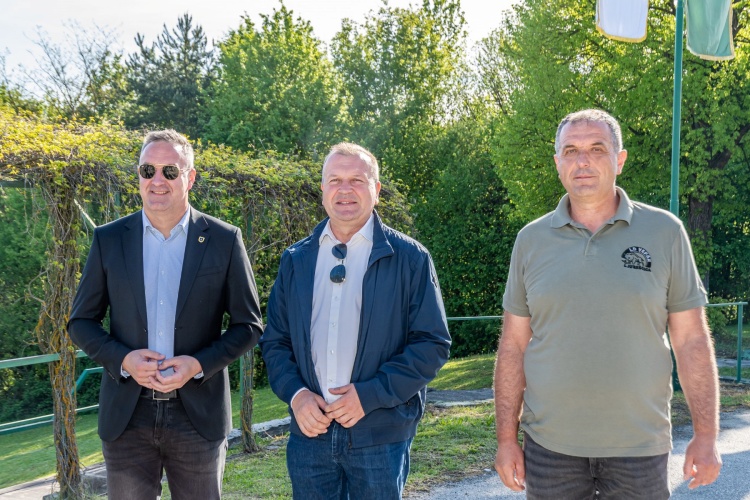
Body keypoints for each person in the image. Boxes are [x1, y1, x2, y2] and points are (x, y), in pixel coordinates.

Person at [494, 109, 722, 498]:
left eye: (597, 148)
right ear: (558, 163)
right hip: (550, 449)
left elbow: (691, 341)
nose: (582, 161)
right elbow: (513, 345)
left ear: (620, 160)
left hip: (640, 448)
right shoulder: (530, 240)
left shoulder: (665, 232)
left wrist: (706, 435)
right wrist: (505, 440)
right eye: (571, 151)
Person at [68, 129, 263, 500]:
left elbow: (249, 326)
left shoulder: (224, 239)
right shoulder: (109, 239)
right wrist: (123, 359)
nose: (157, 180)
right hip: (127, 416)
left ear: (190, 178)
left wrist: (197, 365)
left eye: (170, 171)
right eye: (148, 170)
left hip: (198, 415)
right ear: (139, 175)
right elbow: (80, 322)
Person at [260, 142, 451, 499]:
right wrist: (297, 396)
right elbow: (275, 342)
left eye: (357, 180)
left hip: (380, 435)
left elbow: (432, 344)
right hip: (310, 436)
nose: (344, 189)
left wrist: (369, 395)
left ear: (376, 190)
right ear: (323, 190)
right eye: (335, 180)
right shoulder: (296, 259)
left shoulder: (410, 258)